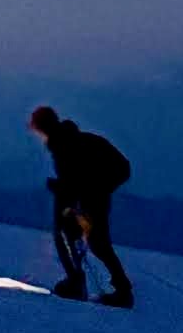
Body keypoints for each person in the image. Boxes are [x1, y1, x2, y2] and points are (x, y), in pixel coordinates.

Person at [28, 103, 133, 304]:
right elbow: (74, 178)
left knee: (90, 240)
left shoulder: (64, 145)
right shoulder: (75, 141)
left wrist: (73, 191)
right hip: (88, 199)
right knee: (83, 238)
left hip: (89, 200)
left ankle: (102, 286)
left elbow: (74, 179)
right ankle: (86, 282)